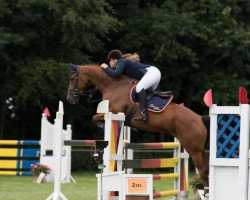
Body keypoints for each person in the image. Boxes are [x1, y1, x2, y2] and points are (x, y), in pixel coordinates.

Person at [101, 49, 161, 121]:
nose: (109, 64)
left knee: (139, 88)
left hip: (152, 73)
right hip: (153, 74)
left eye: (109, 61)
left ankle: (143, 114)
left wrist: (106, 67)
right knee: (146, 95)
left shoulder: (121, 61)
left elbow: (115, 74)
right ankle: (160, 98)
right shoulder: (123, 64)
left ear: (114, 59)